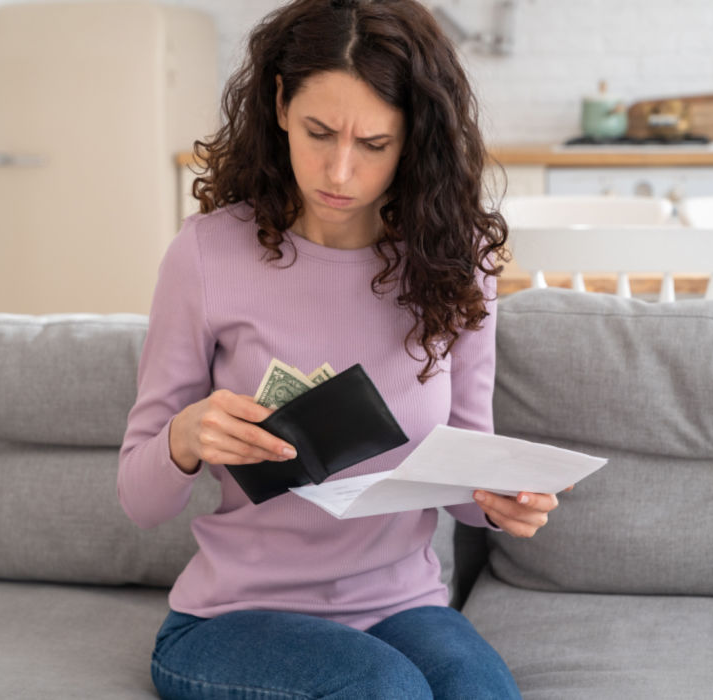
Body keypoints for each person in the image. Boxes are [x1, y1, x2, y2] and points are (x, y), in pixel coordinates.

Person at [118, 1, 562, 697]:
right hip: (233, 618)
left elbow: (467, 479)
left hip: (401, 606)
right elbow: (139, 500)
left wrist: (502, 500)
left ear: (415, 138)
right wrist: (184, 436)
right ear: (279, 105)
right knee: (383, 689)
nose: (341, 171)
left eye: (375, 144)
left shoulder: (456, 260)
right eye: (318, 132)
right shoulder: (207, 254)